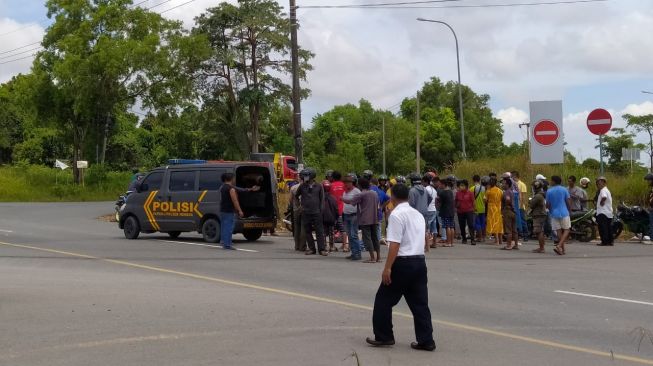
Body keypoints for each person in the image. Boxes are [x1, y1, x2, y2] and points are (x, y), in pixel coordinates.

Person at [366, 183, 435, 352]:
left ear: (393, 197)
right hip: (419, 262)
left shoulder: (396, 215)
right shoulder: (417, 214)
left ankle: (384, 336)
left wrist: (387, 268)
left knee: (383, 300)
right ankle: (426, 340)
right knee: (420, 304)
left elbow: (394, 245)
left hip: (403, 263)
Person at [344, 178, 381, 262]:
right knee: (375, 238)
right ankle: (378, 257)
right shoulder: (374, 193)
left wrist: (341, 198)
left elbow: (350, 202)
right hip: (374, 218)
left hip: (365, 219)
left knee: (367, 238)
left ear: (360, 185)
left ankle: (372, 258)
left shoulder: (361, 194)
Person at [219, 172, 259, 250]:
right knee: (229, 228)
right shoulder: (231, 189)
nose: (234, 179)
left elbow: (239, 189)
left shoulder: (222, 187)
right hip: (229, 210)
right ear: (230, 179)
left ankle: (224, 241)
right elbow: (235, 201)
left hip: (223, 210)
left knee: (224, 226)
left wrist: (250, 189)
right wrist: (240, 210)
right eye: (233, 178)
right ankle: (227, 245)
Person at [295, 168, 328, 256]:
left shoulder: (319, 186)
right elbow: (296, 196)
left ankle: (322, 249)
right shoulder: (302, 186)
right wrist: (299, 206)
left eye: (306, 176)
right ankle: (312, 249)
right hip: (306, 212)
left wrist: (321, 210)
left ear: (312, 176)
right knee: (307, 231)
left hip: (317, 212)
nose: (304, 178)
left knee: (319, 231)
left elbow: (322, 199)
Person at [546, 176, 572, 255]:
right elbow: (568, 201)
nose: (550, 182)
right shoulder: (564, 189)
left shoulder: (549, 191)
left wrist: (550, 210)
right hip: (564, 212)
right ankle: (559, 245)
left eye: (551, 180)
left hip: (554, 213)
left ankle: (562, 249)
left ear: (554, 181)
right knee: (567, 230)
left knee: (558, 232)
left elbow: (547, 204)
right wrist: (569, 210)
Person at [343, 176, 363, 260]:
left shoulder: (356, 191)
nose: (347, 184)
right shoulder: (345, 192)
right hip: (346, 214)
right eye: (346, 182)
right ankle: (353, 252)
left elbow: (357, 202)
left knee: (353, 234)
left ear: (352, 183)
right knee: (349, 235)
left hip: (354, 215)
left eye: (348, 182)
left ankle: (358, 253)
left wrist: (343, 200)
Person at [330, 171, 347, 252]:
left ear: (333, 177)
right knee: (343, 229)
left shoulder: (331, 185)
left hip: (332, 210)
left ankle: (332, 246)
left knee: (332, 228)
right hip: (342, 209)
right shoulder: (344, 185)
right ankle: (344, 246)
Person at [530, 180, 548, 253]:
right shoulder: (540, 194)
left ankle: (541, 248)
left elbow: (531, 205)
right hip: (540, 214)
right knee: (540, 231)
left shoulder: (538, 196)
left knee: (539, 231)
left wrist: (530, 201)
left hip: (539, 215)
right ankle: (541, 247)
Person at [485, 177, 504, 246]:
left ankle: (497, 240)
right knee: (499, 223)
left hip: (492, 209)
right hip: (499, 208)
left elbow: (485, 200)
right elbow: (502, 199)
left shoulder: (489, 191)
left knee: (494, 223)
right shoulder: (500, 190)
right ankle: (500, 240)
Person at [370, 177, 390, 245]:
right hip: (378, 213)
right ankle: (377, 242)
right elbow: (388, 199)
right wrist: (382, 206)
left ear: (371, 183)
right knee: (378, 228)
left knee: (370, 229)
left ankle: (371, 243)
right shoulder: (381, 192)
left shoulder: (368, 190)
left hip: (369, 214)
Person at [595, 177, 614, 246]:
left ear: (604, 183)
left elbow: (604, 197)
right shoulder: (607, 190)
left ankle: (604, 241)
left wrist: (601, 202)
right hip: (608, 212)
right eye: (597, 183)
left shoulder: (603, 190)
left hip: (602, 212)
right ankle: (610, 241)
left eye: (600, 183)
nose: (598, 184)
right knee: (608, 227)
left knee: (603, 228)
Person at [456, 179, 475, 245]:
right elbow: (455, 201)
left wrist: (474, 210)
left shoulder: (470, 193)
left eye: (462, 185)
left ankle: (473, 239)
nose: (461, 187)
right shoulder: (458, 193)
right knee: (462, 225)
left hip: (469, 211)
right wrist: (456, 207)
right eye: (460, 185)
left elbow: (473, 202)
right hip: (460, 211)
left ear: (466, 186)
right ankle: (464, 238)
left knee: (471, 225)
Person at [290, 174, 306, 251]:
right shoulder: (306, 187)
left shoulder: (293, 187)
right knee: (303, 227)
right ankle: (302, 246)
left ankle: (296, 245)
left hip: (295, 210)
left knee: (297, 228)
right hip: (304, 209)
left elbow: (290, 200)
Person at [322, 180, 339, 252]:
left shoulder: (320, 198)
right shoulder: (333, 198)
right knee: (331, 232)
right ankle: (332, 246)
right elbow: (336, 209)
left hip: (323, 218)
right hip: (331, 218)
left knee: (323, 233)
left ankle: (324, 246)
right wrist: (336, 218)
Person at [501, 177, 518, 250]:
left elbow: (508, 200)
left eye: (504, 183)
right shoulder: (511, 191)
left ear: (507, 184)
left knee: (508, 230)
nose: (502, 185)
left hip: (508, 211)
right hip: (513, 211)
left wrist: (506, 206)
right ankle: (516, 245)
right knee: (514, 229)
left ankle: (508, 245)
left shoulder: (507, 192)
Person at [511, 171, 529, 241]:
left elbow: (523, 196)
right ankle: (519, 234)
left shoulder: (522, 184)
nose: (511, 177)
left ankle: (525, 235)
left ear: (515, 176)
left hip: (520, 206)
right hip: (515, 205)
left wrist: (521, 205)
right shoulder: (513, 184)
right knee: (517, 221)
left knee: (522, 221)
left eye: (512, 176)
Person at [438, 177, 456, 247]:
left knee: (447, 227)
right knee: (451, 227)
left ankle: (448, 242)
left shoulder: (443, 192)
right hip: (451, 211)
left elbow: (440, 202)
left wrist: (438, 199)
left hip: (445, 211)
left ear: (443, 184)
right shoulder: (450, 192)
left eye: (440, 184)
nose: (439, 186)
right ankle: (452, 242)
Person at [471, 175, 487, 243]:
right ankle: (483, 237)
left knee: (477, 223)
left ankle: (479, 238)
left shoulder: (472, 188)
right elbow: (485, 199)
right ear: (479, 180)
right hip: (483, 207)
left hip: (476, 208)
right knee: (483, 222)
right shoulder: (484, 188)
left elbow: (471, 199)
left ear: (473, 180)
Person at [425, 175, 439, 249]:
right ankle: (434, 243)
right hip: (434, 209)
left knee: (427, 227)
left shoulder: (427, 189)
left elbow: (426, 199)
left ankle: (427, 245)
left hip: (429, 209)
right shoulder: (434, 190)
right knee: (434, 228)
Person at [646, 174, 653, 242]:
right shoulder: (651, 188)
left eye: (649, 180)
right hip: (651, 208)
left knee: (652, 224)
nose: (648, 182)